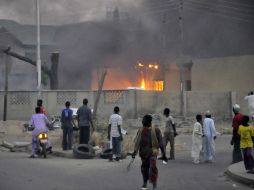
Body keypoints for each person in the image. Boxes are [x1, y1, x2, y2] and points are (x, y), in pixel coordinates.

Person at [132, 115, 167, 190]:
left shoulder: (156, 130)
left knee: (152, 168)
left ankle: (154, 184)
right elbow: (137, 142)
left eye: (144, 120)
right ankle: (145, 183)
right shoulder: (141, 130)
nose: (142, 122)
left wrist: (164, 154)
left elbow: (161, 144)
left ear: (149, 122)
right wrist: (134, 152)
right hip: (143, 154)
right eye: (143, 120)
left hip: (152, 153)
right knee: (144, 168)